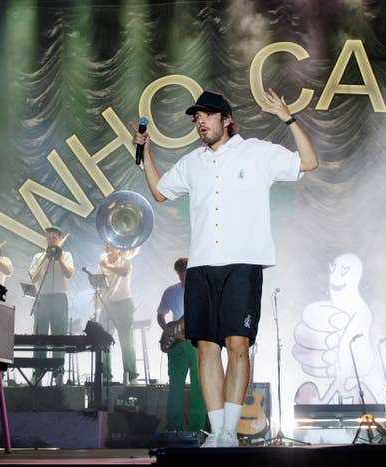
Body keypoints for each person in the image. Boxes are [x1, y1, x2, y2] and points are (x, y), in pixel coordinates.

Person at [133, 88, 318, 447]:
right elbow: (159, 192)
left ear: (226, 119)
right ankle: (215, 431)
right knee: (205, 347)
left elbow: (308, 162)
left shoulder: (258, 153)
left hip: (242, 263)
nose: (198, 121)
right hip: (202, 266)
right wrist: (146, 153)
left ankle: (229, 432)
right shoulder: (193, 162)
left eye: (206, 115)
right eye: (195, 117)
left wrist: (288, 118)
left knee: (237, 345)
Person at [157, 257, 206, 433]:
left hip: (197, 343)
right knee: (175, 386)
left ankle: (197, 429)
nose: (182, 277)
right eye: (180, 274)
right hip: (176, 345)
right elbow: (160, 315)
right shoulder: (171, 291)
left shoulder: (203, 290)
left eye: (185, 273)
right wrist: (166, 329)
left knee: (199, 387)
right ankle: (173, 428)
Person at [28, 225, 74, 386]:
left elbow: (69, 273)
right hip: (43, 298)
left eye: (54, 238)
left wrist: (59, 257)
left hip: (60, 298)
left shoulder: (66, 255)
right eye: (48, 238)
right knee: (40, 336)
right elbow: (33, 277)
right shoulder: (39, 256)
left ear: (60, 239)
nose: (51, 240)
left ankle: (58, 372)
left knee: (58, 337)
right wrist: (46, 258)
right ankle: (38, 372)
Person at [98, 244, 139, 384]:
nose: (107, 247)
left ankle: (132, 376)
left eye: (111, 245)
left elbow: (124, 272)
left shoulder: (125, 262)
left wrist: (107, 266)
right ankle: (105, 375)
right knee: (103, 340)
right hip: (107, 304)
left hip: (123, 303)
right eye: (106, 245)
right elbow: (98, 282)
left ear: (118, 248)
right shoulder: (102, 263)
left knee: (127, 341)